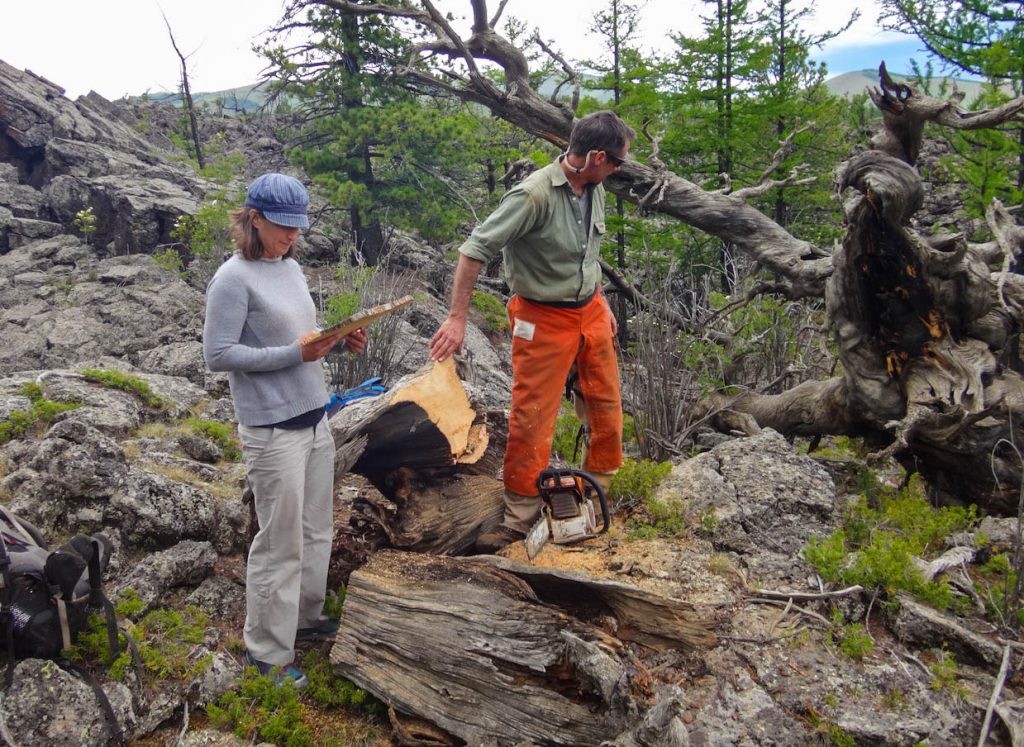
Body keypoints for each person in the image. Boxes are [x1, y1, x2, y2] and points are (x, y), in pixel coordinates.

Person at [430, 110, 635, 553]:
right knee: (533, 416)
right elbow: (473, 252)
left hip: (589, 311)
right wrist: (457, 318)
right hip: (540, 318)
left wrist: (599, 299)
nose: (620, 170)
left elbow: (587, 251)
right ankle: (520, 517)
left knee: (605, 406)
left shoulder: (594, 187)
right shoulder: (533, 196)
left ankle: (596, 495)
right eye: (618, 162)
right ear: (597, 156)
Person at [203, 173, 367, 688]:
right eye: (282, 227)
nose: (292, 236)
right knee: (280, 542)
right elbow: (218, 354)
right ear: (254, 219)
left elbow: (302, 340)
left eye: (298, 227)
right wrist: (295, 353)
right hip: (271, 430)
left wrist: (338, 342)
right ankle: (268, 652)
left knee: (318, 530)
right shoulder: (233, 278)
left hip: (315, 418)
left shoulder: (289, 269)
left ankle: (307, 620)